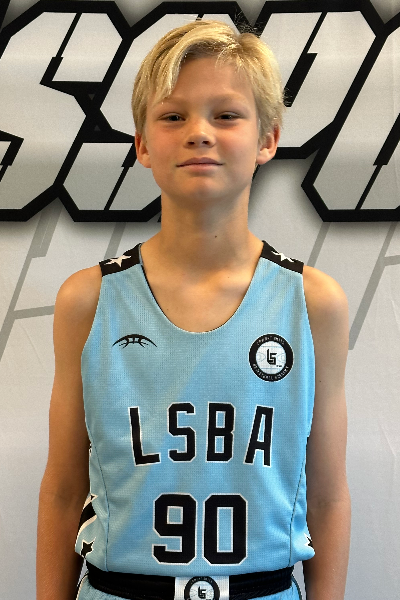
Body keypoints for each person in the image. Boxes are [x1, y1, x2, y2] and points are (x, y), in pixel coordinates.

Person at [36, 19, 351, 600]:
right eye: (173, 116)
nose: (200, 133)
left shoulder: (312, 302)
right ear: (142, 144)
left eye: (226, 115)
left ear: (267, 140)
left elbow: (328, 497)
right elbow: (62, 490)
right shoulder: (88, 300)